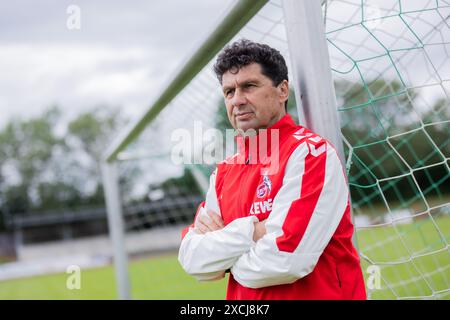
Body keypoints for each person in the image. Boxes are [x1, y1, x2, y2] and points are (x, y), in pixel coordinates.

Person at [178, 39, 367, 300]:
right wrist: (252, 231)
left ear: (282, 90)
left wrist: (226, 258)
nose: (238, 100)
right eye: (229, 92)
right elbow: (193, 259)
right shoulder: (223, 173)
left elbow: (286, 261)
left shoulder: (310, 154)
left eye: (249, 86)